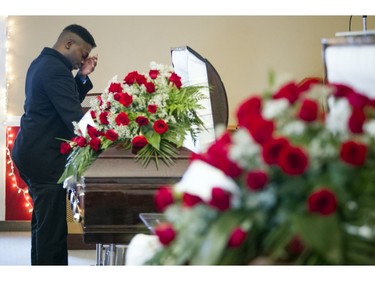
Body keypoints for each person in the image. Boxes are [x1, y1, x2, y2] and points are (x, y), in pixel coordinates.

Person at [11, 24, 98, 265]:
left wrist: (82, 78)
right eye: (83, 54)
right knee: (52, 231)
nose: (83, 61)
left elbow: (64, 101)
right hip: (42, 158)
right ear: (68, 44)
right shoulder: (55, 70)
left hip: (32, 152)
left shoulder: (45, 62)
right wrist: (106, 135)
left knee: (44, 222)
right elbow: (72, 114)